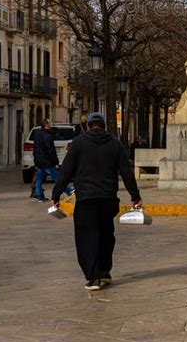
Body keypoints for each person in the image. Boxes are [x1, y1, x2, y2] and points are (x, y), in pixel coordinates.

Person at [51, 112, 142, 292]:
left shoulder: (78, 143)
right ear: (103, 126)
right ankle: (104, 272)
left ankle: (93, 278)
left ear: (88, 126)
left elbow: (66, 171)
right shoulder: (115, 144)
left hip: (86, 199)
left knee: (86, 238)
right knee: (106, 235)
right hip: (108, 198)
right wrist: (135, 196)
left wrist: (56, 194)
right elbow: (126, 172)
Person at [33, 119, 74, 203]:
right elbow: (51, 151)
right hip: (47, 161)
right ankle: (68, 190)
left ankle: (40, 197)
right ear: (46, 125)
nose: (51, 124)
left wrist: (36, 159)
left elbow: (35, 148)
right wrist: (55, 161)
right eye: (50, 123)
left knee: (39, 179)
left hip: (39, 160)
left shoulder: (37, 135)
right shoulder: (48, 136)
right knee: (57, 177)